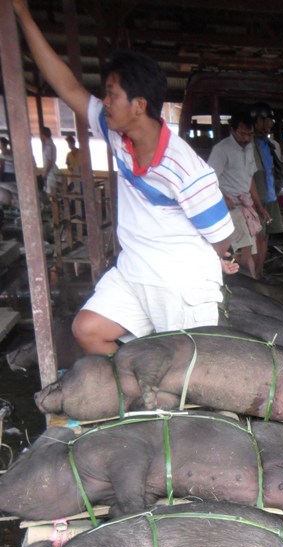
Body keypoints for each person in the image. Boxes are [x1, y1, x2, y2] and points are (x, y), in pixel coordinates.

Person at [12, 0, 235, 356]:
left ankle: (163, 390)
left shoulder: (186, 167)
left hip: (180, 284)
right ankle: (142, 381)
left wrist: (214, 262)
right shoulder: (117, 133)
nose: (105, 101)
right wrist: (24, 15)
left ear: (139, 104)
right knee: (88, 329)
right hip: (134, 273)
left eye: (112, 93)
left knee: (191, 373)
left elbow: (222, 238)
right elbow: (67, 87)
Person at [207, 112, 266, 279]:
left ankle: (248, 283)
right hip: (230, 207)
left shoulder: (249, 147)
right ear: (232, 130)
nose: (247, 138)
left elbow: (250, 179)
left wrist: (259, 205)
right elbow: (208, 179)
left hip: (245, 206)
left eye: (250, 134)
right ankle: (245, 287)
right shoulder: (221, 149)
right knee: (242, 251)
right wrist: (223, 197)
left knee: (247, 250)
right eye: (242, 133)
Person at [251, 102, 283, 279]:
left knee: (264, 237)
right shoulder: (249, 144)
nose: (271, 123)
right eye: (267, 120)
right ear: (258, 121)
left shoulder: (271, 145)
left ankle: (260, 272)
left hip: (270, 196)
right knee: (256, 237)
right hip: (258, 196)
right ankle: (254, 274)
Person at [40, 125, 58, 195]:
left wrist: (45, 174)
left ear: (43, 135)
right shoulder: (51, 145)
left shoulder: (48, 146)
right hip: (52, 171)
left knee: (51, 195)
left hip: (51, 173)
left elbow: (49, 162)